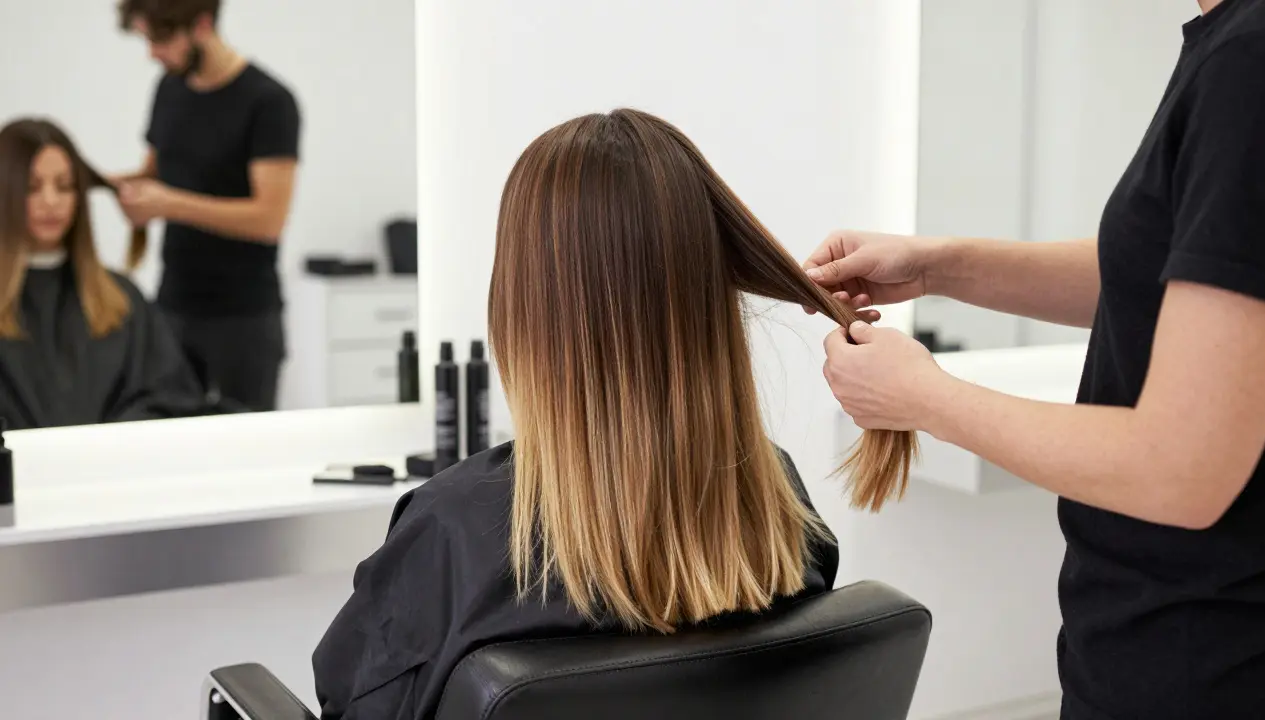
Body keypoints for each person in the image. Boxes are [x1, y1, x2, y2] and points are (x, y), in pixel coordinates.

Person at [311, 109, 866, 718]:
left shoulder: (454, 530)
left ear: (519, 309)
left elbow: (349, 700)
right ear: (712, 306)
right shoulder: (774, 500)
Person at [808, 1, 1265, 717]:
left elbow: (1183, 469)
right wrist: (939, 266)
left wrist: (926, 398)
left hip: (1208, 665)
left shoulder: (1256, 61)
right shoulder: (1240, 48)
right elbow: (1172, 274)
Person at [114, 0, 301, 411]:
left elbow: (269, 219)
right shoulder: (168, 89)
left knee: (248, 445)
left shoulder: (269, 102)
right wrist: (89, 181)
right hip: (173, 307)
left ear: (200, 24)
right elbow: (154, 174)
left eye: (161, 39)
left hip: (245, 319)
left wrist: (169, 204)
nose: (153, 53)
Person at [0, 118, 206, 430]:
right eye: (32, 187)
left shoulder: (121, 299)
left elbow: (171, 399)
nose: (51, 202)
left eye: (65, 186)